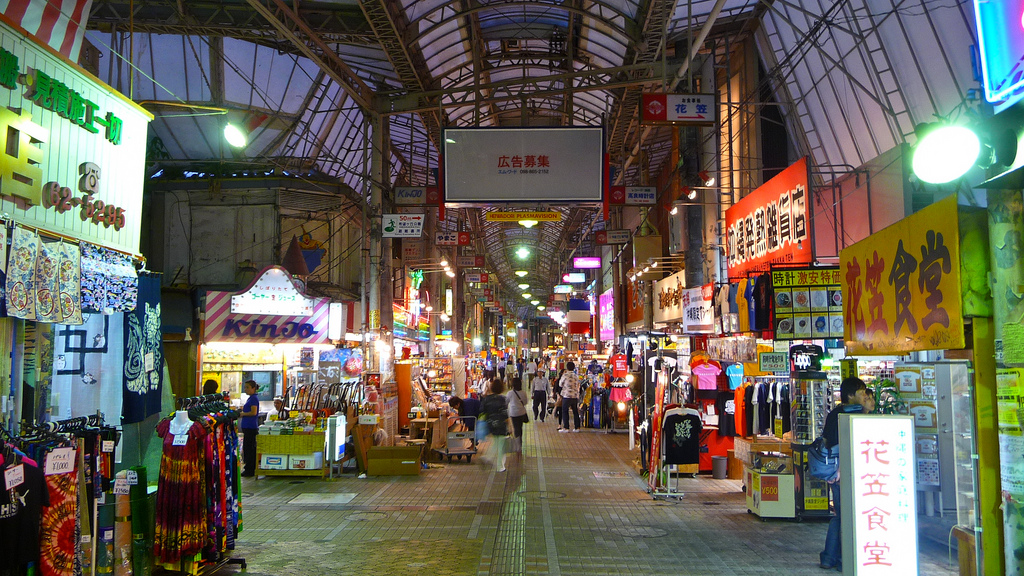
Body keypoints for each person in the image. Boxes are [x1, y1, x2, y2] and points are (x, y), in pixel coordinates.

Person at [819, 377, 870, 570]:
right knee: (846, 515)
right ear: (850, 395)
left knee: (839, 515)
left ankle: (829, 557)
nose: (864, 396)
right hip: (845, 472)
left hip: (834, 470)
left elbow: (827, 440)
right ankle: (840, 559)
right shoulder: (852, 414)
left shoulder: (834, 414)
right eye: (862, 393)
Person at [480, 378, 510, 472]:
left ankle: (487, 457)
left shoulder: (487, 399)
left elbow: (482, 411)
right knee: (501, 446)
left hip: (491, 424)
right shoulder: (503, 399)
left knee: (496, 443)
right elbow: (505, 414)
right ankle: (500, 466)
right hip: (501, 424)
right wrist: (510, 426)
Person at [240, 380, 261, 477]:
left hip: (251, 427)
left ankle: (250, 469)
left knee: (250, 449)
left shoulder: (254, 399)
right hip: (247, 427)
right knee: (247, 448)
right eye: (245, 387)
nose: (246, 389)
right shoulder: (250, 398)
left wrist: (242, 414)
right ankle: (248, 468)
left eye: (248, 387)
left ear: (253, 388)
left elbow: (253, 412)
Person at [558, 361, 582, 432]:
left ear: (567, 368)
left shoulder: (565, 375)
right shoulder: (576, 376)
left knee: (565, 411)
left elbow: (560, 384)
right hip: (574, 396)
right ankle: (577, 427)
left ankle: (566, 427)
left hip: (567, 395)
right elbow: (578, 385)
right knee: (575, 411)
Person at [507, 377, 529, 452]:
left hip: (513, 413)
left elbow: (506, 402)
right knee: (520, 427)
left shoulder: (510, 393)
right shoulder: (523, 392)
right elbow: (525, 402)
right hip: (522, 412)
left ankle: (518, 446)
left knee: (516, 428)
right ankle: (520, 443)